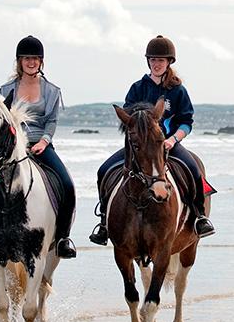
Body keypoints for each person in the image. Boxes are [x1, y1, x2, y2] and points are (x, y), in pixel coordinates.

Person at [0, 35, 78, 259]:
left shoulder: (52, 91)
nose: (31, 62)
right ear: (19, 61)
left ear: (41, 61)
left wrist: (44, 141)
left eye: (35, 58)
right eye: (26, 58)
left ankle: (63, 238)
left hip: (40, 145)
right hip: (10, 147)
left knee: (67, 184)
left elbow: (51, 121)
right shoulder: (6, 88)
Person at [89, 35, 215, 244]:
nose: (157, 64)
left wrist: (173, 140)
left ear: (168, 63)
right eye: (153, 60)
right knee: (104, 170)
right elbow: (128, 121)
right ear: (148, 61)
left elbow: (186, 122)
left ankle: (199, 217)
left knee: (194, 170)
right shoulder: (137, 88)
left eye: (161, 60)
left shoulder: (177, 91)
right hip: (139, 148)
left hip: (167, 144)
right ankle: (104, 223)